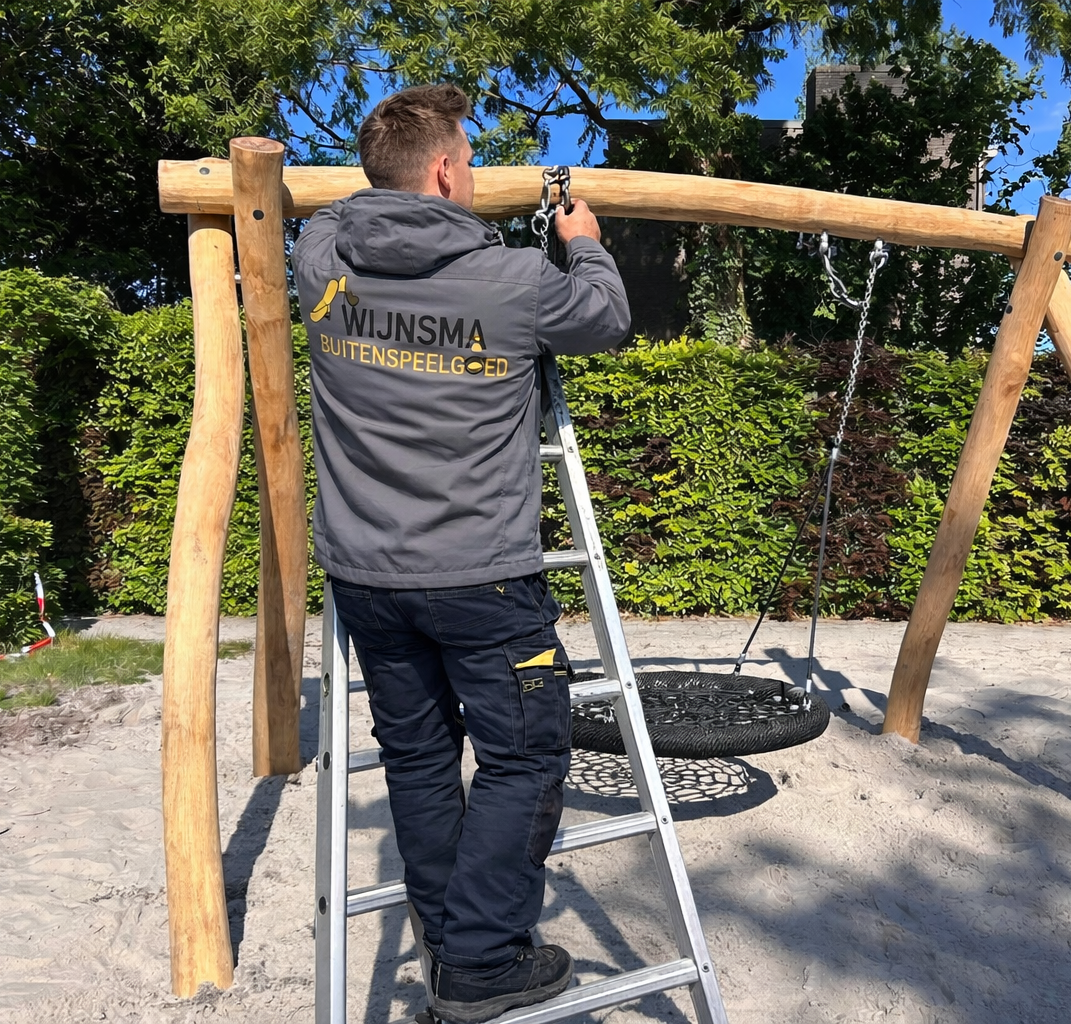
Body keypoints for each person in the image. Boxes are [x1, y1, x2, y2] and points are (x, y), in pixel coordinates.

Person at [292, 83, 630, 1024]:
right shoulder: (515, 282)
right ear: (445, 169)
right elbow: (605, 319)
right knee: (524, 756)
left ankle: (449, 939)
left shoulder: (323, 264)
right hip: (484, 578)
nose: (475, 175)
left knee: (420, 759)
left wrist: (366, 195)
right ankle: (483, 962)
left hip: (367, 579)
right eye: (471, 160)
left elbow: (330, 218)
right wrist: (585, 237)